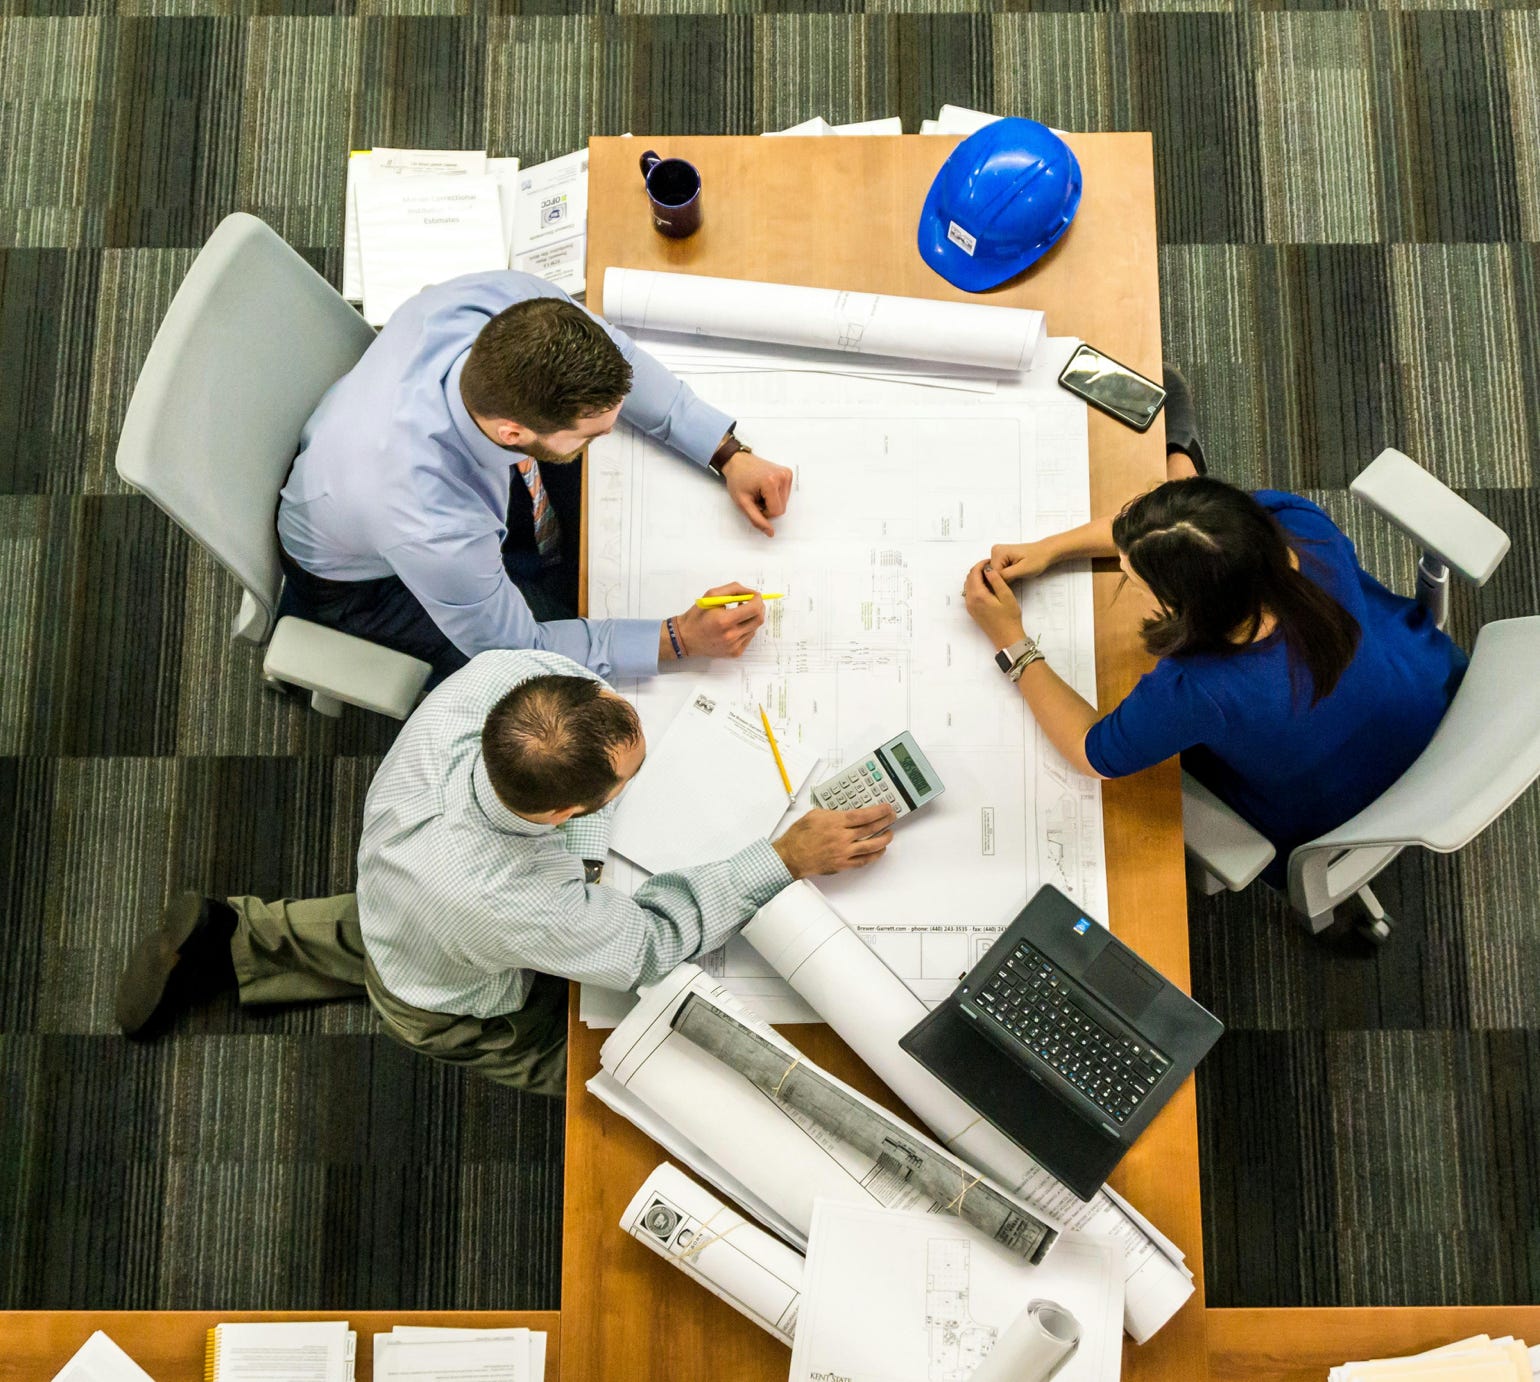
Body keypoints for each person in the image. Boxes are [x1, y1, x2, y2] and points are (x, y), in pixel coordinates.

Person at [114, 651, 895, 1095]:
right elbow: (649, 945)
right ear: (563, 814)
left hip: (401, 886)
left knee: (396, 926)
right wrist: (782, 857)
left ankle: (236, 936)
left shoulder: (502, 679)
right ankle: (602, 1080)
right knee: (606, 1066)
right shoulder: (512, 902)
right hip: (448, 995)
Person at [960, 372, 1467, 893]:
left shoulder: (1197, 691)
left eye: (1133, 579)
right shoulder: (1295, 523)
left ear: (1184, 609)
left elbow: (1093, 753)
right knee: (1169, 407)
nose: (1123, 577)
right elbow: (1183, 533)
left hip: (1336, 806)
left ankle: (1181, 458)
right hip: (1428, 689)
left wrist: (1011, 640)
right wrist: (1050, 549)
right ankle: (1182, 462)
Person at [277, 271, 797, 682]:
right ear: (512, 432)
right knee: (551, 686)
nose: (609, 435)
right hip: (363, 584)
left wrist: (726, 452)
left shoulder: (509, 302)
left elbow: (621, 359)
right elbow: (518, 650)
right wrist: (678, 638)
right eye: (592, 433)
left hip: (365, 458)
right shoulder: (433, 524)